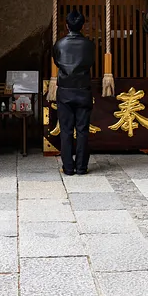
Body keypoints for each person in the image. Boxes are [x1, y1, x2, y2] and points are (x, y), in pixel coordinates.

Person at [52, 9, 96, 175]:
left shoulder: (59, 45)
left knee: (66, 130)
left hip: (65, 91)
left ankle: (68, 167)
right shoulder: (89, 45)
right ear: (82, 25)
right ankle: (82, 167)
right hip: (83, 90)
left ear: (66, 25)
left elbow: (57, 61)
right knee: (83, 130)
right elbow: (90, 62)